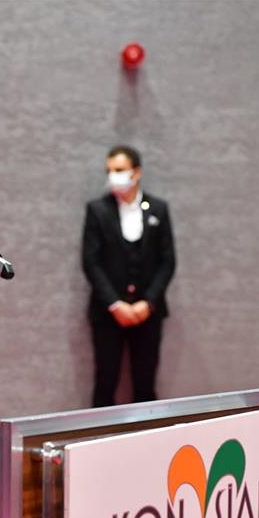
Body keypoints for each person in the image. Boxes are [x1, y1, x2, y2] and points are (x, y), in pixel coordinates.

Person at [82, 145, 176, 408]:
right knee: (105, 380)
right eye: (110, 170)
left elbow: (168, 261)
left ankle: (147, 432)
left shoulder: (158, 209)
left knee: (145, 382)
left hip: (148, 313)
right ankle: (100, 433)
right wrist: (115, 304)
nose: (114, 176)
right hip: (108, 312)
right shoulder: (97, 210)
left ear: (136, 172)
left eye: (120, 170)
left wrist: (148, 302)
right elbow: (91, 262)